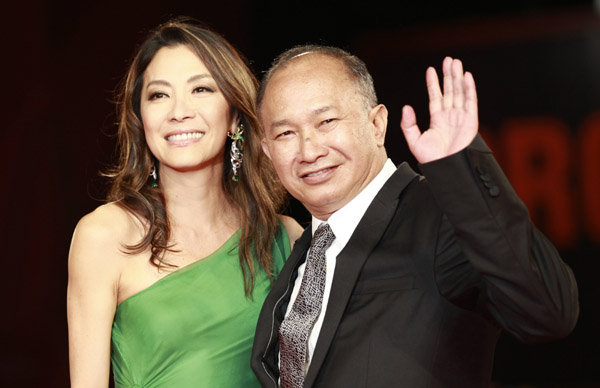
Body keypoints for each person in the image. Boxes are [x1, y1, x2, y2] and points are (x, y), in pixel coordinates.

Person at [251, 45, 579, 388]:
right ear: (268, 151)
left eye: (327, 121)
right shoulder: (301, 251)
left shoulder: (439, 214)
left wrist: (462, 171)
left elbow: (548, 314)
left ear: (376, 124)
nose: (309, 150)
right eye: (285, 133)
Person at [66, 18, 303, 388]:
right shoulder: (104, 236)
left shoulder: (286, 239)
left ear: (235, 115)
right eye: (159, 95)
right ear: (140, 118)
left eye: (202, 89)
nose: (179, 111)